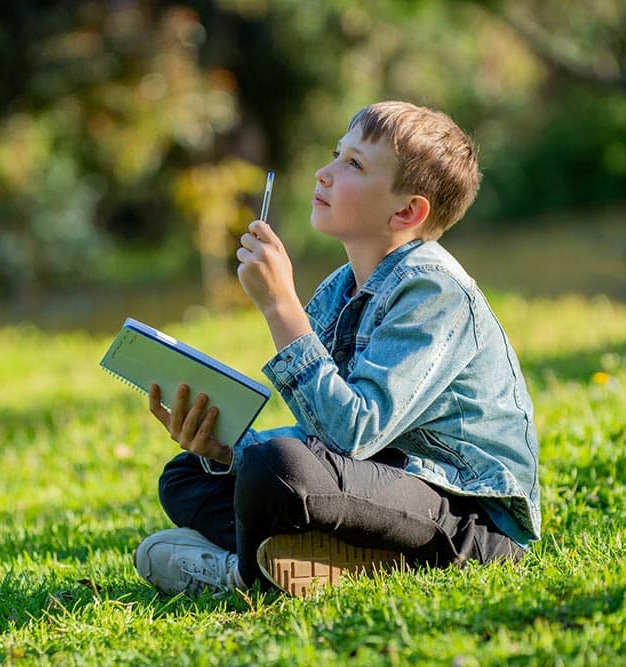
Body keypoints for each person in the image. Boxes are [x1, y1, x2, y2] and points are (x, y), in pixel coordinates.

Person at [133, 101, 540, 597]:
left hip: (469, 519)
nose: (324, 174)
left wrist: (281, 307)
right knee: (188, 475)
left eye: (354, 165)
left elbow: (352, 434)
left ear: (407, 211)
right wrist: (226, 449)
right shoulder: (338, 289)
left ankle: (240, 575)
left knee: (277, 469)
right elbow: (321, 434)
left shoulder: (434, 292)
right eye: (336, 155)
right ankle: (318, 560)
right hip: (382, 488)